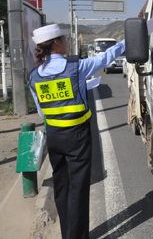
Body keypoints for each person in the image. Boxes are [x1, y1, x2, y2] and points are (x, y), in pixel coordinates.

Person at [28, 24, 125, 239]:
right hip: (77, 137)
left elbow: (42, 112)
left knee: (62, 187)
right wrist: (134, 38)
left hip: (54, 136)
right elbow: (107, 56)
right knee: (78, 189)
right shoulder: (77, 67)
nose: (66, 41)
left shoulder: (35, 76)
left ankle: (67, 234)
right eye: (63, 38)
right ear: (56, 42)